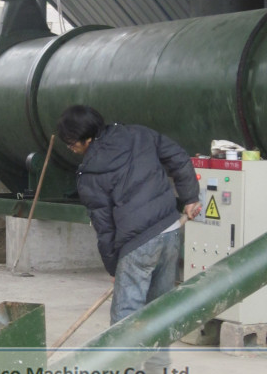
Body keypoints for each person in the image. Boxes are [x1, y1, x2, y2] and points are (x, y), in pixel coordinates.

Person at [56, 105, 201, 326]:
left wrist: (113, 268)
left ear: (87, 139)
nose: (71, 149)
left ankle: (123, 362)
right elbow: (179, 157)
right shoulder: (138, 133)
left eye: (71, 143)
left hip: (137, 244)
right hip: (170, 231)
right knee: (159, 312)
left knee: (125, 318)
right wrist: (190, 198)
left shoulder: (90, 173)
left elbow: (104, 227)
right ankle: (157, 362)